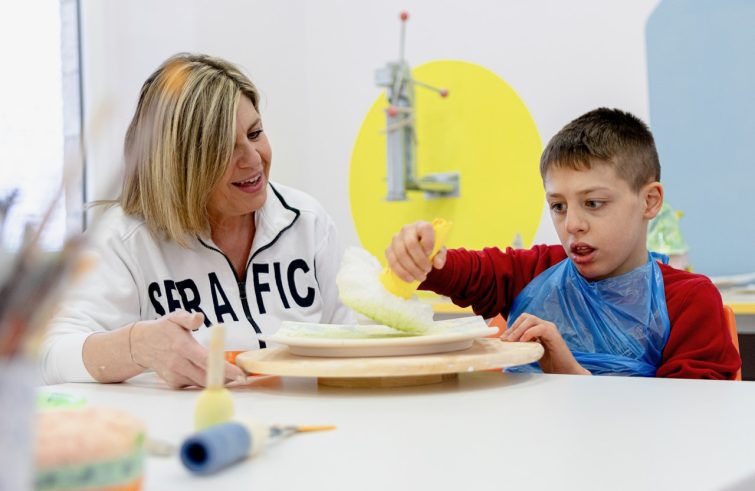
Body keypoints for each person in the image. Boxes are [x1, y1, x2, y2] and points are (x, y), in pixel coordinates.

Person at [40, 53, 355, 387]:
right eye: (225, 148)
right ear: (181, 163)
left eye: (255, 133)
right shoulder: (124, 239)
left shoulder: (307, 221)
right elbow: (51, 356)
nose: (253, 159)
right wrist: (138, 347)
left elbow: (351, 343)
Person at [386, 108, 740, 379]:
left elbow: (691, 422)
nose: (572, 224)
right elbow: (463, 271)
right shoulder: (536, 271)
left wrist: (573, 376)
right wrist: (422, 254)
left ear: (649, 201)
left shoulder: (688, 301)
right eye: (558, 206)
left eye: (593, 203)